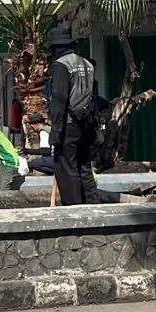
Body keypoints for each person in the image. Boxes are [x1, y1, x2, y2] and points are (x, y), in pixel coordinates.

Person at [47, 25, 98, 205]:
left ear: (55, 48)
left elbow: (59, 99)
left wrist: (55, 130)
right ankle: (92, 205)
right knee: (84, 167)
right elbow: (95, 96)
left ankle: (75, 209)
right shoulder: (87, 64)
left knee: (66, 168)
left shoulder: (61, 65)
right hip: (87, 123)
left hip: (68, 124)